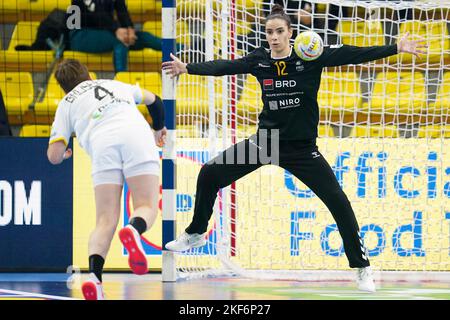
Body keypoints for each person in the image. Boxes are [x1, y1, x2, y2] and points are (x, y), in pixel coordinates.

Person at [162, 4, 426, 292]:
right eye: (269, 32)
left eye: (279, 32)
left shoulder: (309, 56)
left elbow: (353, 53)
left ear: (290, 33)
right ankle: (196, 232)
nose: (273, 37)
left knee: (339, 203)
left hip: (302, 150)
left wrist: (395, 47)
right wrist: (187, 68)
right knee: (210, 174)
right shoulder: (259, 60)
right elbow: (225, 66)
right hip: (267, 143)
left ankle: (362, 268)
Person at [47, 59, 167, 300]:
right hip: (135, 134)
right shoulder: (113, 84)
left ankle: (94, 279)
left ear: (63, 87)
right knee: (146, 205)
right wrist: (158, 128)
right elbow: (155, 99)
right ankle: (134, 229)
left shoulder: (66, 103)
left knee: (105, 219)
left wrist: (66, 153)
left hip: (101, 144)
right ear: (88, 74)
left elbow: (53, 156)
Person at [69, 0, 165, 72]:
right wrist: (116, 30)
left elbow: (122, 10)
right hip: (80, 36)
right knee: (120, 41)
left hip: (108, 31)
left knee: (144, 37)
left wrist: (129, 29)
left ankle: (178, 50)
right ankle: (120, 83)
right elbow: (98, 14)